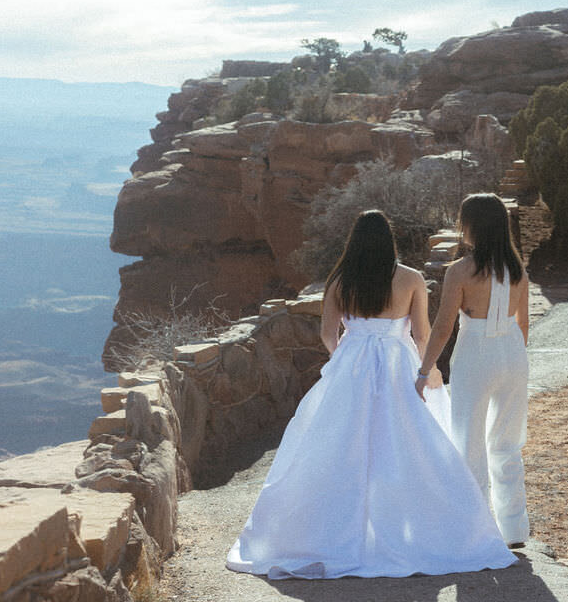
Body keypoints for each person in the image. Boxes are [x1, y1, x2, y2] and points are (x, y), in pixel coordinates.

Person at [226, 210, 516, 579]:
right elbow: (422, 333)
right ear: (389, 241)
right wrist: (430, 370)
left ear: (355, 242)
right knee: (407, 447)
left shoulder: (341, 282)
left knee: (339, 448)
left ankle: (338, 534)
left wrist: (345, 358)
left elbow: (328, 335)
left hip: (352, 365)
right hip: (398, 364)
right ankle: (410, 530)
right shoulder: (411, 279)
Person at [415, 194, 530, 548]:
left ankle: (476, 531)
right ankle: (513, 531)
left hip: (476, 353)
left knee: (469, 442)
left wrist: (424, 370)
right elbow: (524, 324)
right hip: (512, 352)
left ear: (473, 226)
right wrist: (511, 356)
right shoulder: (518, 269)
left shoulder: (461, 271)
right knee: (507, 443)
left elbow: (443, 327)